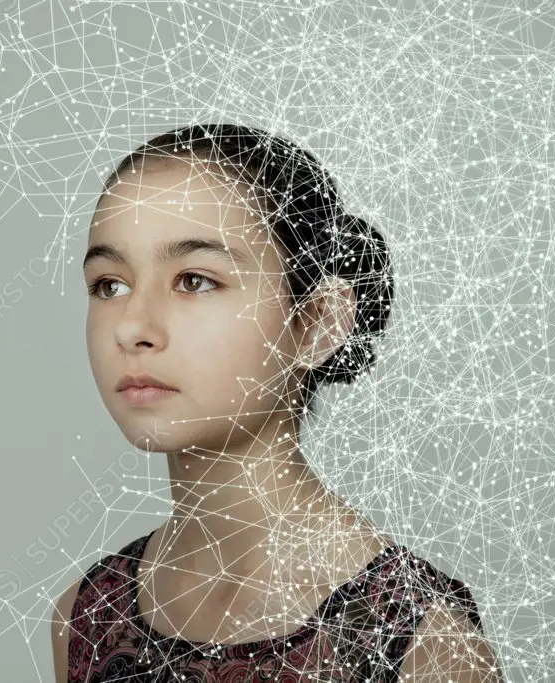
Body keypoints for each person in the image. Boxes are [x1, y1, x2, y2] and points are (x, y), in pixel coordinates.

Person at [50, 124, 503, 682]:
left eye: (194, 280)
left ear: (318, 322)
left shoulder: (421, 640)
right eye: (109, 285)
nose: (133, 327)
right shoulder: (87, 616)